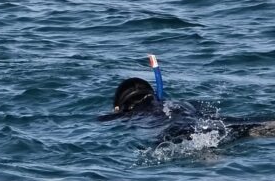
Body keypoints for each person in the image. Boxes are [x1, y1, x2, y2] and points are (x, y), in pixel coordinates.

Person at [100, 57, 275, 143]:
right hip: (193, 118)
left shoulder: (126, 115)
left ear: (119, 106)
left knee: (191, 140)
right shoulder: (176, 103)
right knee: (233, 126)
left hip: (170, 129)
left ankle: (211, 162)